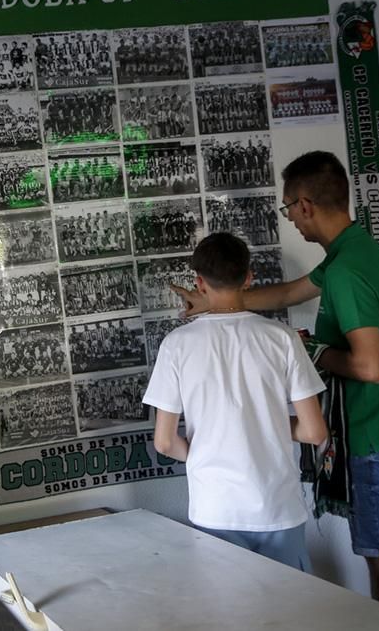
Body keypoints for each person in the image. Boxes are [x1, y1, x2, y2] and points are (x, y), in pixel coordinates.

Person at [173, 151, 379, 619]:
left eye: (288, 206)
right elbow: (290, 292)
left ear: (305, 204)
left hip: (374, 438)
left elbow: (371, 367)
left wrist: (311, 350)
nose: (289, 217)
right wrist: (219, 301)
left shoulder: (346, 271)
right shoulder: (354, 251)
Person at [145, 232, 327, 572]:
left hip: (215, 508)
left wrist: (207, 450)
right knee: (293, 602)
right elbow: (315, 432)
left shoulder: (176, 345)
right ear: (248, 278)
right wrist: (268, 422)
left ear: (199, 283)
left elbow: (165, 442)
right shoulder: (283, 339)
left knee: (227, 603)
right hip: (278, 507)